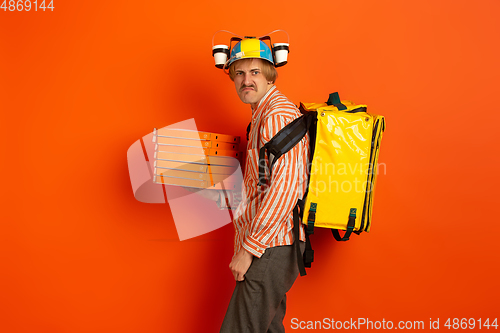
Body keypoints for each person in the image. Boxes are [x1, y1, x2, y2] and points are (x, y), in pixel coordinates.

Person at [216, 37, 310, 333]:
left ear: (270, 74)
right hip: (269, 244)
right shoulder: (260, 114)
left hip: (271, 245)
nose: (246, 80)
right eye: (240, 73)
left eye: (255, 72)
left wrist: (248, 250)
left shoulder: (277, 114)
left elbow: (286, 187)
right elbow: (264, 181)